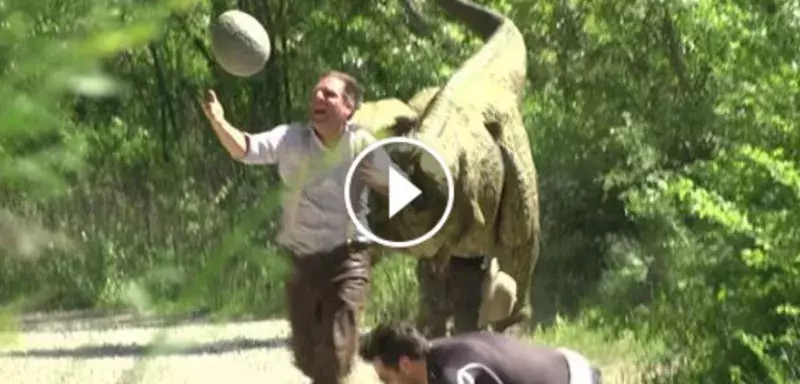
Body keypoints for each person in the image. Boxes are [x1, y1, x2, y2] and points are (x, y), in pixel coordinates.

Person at [200, 70, 393, 384]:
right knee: (306, 355)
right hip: (300, 259)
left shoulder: (362, 144)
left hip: (348, 258)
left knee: (335, 348)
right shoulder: (291, 138)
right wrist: (218, 120)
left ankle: (341, 369)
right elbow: (244, 149)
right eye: (315, 93)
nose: (318, 97)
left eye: (329, 94)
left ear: (348, 107)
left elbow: (398, 190)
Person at [359, 321, 602, 384]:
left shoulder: (451, 372)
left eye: (387, 380)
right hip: (564, 362)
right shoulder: (434, 353)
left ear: (404, 364)